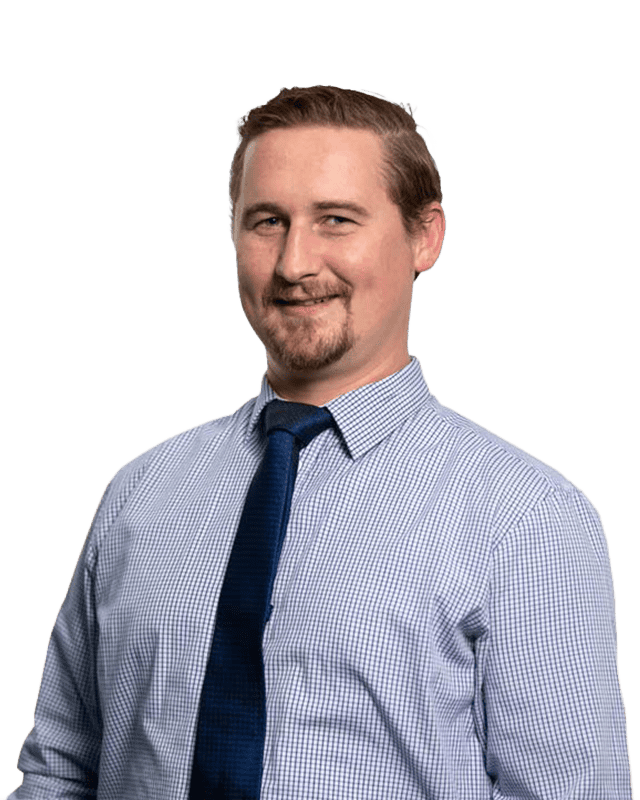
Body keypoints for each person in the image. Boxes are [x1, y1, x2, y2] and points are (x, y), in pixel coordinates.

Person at [6, 83, 634, 799]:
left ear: (425, 236)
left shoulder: (528, 518)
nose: (294, 264)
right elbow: (60, 774)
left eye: (336, 219)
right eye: (266, 221)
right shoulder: (141, 493)